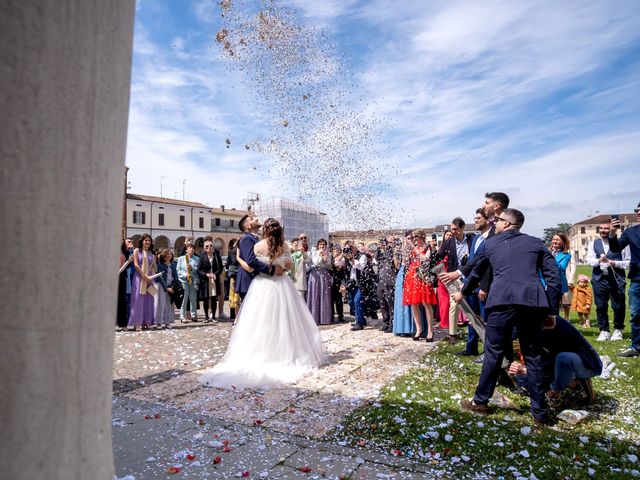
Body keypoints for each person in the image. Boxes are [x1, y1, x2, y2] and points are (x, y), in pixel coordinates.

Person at [454, 208, 561, 425]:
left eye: (497, 221)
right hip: (532, 303)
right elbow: (553, 279)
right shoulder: (536, 242)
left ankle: (480, 402)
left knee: (493, 352)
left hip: (501, 302)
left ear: (507, 223)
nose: (495, 224)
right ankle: (540, 413)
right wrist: (550, 311)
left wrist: (463, 292)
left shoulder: (491, 244)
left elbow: (476, 272)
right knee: (533, 354)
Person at [199, 218, 327, 389]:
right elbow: (288, 265)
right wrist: (278, 266)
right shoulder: (282, 245)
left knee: (261, 321)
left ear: (265, 230)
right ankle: (283, 352)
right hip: (282, 284)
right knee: (284, 320)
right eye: (252, 219)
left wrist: (250, 260)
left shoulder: (258, 245)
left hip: (262, 285)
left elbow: (252, 263)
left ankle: (263, 352)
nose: (256, 220)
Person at [508, 316, 602, 408]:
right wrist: (518, 366)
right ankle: (572, 383)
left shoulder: (553, 325)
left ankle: (556, 392)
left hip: (585, 363)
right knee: (521, 377)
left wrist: (528, 370)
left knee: (563, 359)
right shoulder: (528, 329)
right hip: (553, 365)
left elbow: (549, 361)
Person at [586, 220, 630, 342]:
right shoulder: (593, 244)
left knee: (618, 305)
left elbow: (628, 262)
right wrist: (599, 261)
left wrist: (614, 263)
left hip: (616, 279)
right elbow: (589, 260)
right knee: (600, 306)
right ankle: (604, 330)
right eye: (601, 228)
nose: (603, 231)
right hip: (599, 278)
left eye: (606, 228)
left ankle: (618, 330)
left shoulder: (623, 243)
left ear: (612, 229)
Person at [609, 202, 640, 357]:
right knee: (635, 313)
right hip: (637, 279)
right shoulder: (631, 231)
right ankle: (636, 346)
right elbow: (616, 248)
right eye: (637, 210)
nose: (638, 212)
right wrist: (613, 234)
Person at [439, 217, 474, 342]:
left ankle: (476, 333)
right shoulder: (448, 242)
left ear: (462, 228)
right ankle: (452, 334)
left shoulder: (472, 239)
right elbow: (439, 256)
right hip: (453, 277)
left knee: (471, 305)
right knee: (454, 305)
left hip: (470, 277)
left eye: (455, 229)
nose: (453, 231)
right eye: (451, 229)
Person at [235, 213, 283, 303]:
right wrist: (272, 270)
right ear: (248, 226)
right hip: (247, 281)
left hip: (256, 281)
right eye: (252, 219)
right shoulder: (247, 239)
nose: (257, 219)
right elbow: (251, 261)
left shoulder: (256, 239)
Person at [402, 229, 439, 341]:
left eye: (415, 237)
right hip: (412, 276)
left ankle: (430, 330)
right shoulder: (413, 247)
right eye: (413, 237)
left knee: (426, 303)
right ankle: (418, 329)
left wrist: (414, 248)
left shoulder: (428, 247)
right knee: (414, 304)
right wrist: (405, 250)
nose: (414, 239)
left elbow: (425, 259)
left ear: (421, 236)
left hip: (423, 276)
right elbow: (405, 262)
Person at [128, 234, 157, 331]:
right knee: (138, 300)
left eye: (149, 240)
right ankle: (137, 322)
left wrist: (151, 276)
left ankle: (147, 322)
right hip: (139, 278)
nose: (147, 242)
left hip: (149, 278)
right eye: (145, 240)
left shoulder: (151, 254)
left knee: (148, 300)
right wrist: (144, 276)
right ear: (142, 241)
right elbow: (136, 265)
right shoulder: (137, 251)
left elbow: (153, 267)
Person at [393, 231, 418, 336]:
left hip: (413, 272)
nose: (410, 240)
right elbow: (397, 266)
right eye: (408, 238)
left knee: (412, 299)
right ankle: (402, 328)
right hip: (402, 273)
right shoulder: (400, 250)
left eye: (412, 238)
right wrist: (396, 255)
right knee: (400, 300)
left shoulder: (415, 249)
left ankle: (413, 328)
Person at [307, 239, 333, 325]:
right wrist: (320, 255)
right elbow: (316, 262)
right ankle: (314, 318)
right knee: (315, 294)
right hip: (315, 274)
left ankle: (324, 318)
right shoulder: (314, 252)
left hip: (324, 274)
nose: (322, 246)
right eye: (320, 244)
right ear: (318, 245)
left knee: (324, 295)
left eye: (324, 244)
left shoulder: (328, 254)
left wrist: (326, 261)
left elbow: (329, 266)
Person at [198, 238, 223, 322]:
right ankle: (206, 316)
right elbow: (198, 270)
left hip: (214, 280)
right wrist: (206, 275)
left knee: (213, 299)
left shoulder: (217, 256)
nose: (209, 247)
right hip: (206, 280)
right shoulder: (201, 256)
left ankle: (213, 317)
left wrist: (216, 274)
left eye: (211, 245)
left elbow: (220, 268)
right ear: (204, 248)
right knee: (205, 299)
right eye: (207, 246)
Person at [549, 233, 574, 318]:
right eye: (553, 239)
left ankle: (555, 326)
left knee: (554, 307)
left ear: (563, 242)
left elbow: (561, 268)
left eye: (557, 240)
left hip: (556, 284)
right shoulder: (546, 251)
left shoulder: (566, 255)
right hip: (544, 283)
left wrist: (550, 257)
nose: (554, 241)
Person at [376, 236, 397, 332]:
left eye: (384, 242)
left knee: (390, 302)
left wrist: (389, 247)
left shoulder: (391, 250)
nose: (382, 244)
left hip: (390, 279)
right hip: (381, 279)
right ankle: (385, 322)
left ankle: (393, 323)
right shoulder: (380, 252)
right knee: (382, 301)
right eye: (381, 242)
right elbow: (377, 259)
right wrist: (379, 249)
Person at [177, 242, 200, 322]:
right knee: (184, 299)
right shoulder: (181, 259)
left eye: (193, 248)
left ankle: (194, 315)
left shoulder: (197, 259)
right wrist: (185, 275)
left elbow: (198, 270)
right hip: (184, 281)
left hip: (193, 281)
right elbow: (178, 270)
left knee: (193, 299)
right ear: (186, 250)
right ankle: (182, 316)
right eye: (189, 248)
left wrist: (192, 268)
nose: (191, 249)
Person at [155, 248, 178, 328]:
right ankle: (159, 322)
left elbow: (175, 277)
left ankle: (167, 322)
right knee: (161, 304)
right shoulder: (160, 265)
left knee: (169, 304)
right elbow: (160, 277)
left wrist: (172, 286)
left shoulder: (173, 265)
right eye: (167, 254)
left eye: (170, 254)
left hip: (171, 286)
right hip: (162, 286)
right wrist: (166, 287)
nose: (169, 256)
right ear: (163, 256)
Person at [329, 245, 347, 323]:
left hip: (338, 281)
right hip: (330, 281)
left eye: (338, 250)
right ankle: (331, 315)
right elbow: (333, 264)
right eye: (335, 250)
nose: (337, 251)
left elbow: (341, 266)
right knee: (330, 300)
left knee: (339, 300)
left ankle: (340, 316)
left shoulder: (342, 259)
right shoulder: (330, 258)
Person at [117, 239, 131, 330]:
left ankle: (123, 324)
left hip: (121, 277)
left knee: (122, 301)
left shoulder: (125, 252)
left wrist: (130, 261)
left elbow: (128, 265)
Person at [226, 239, 240, 320]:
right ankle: (238, 315)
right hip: (240, 274)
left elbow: (228, 264)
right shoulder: (239, 251)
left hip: (232, 276)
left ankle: (233, 315)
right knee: (238, 295)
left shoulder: (231, 251)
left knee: (233, 295)